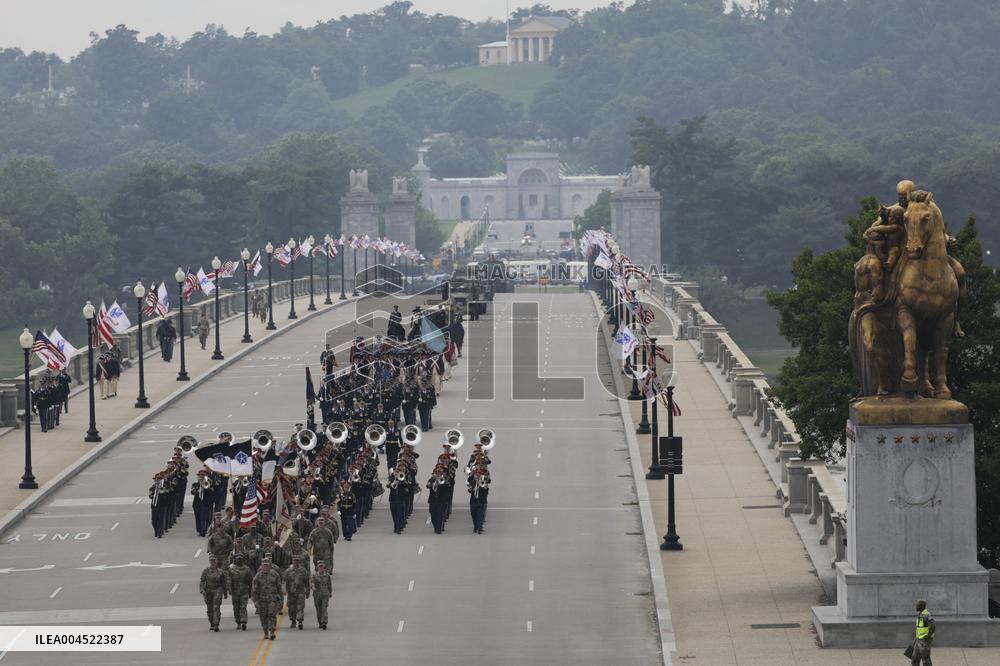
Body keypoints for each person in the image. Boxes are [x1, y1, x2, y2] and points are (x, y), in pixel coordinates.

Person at [251, 559, 283, 640]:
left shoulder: (274, 574)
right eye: (264, 565)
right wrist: (255, 601)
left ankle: (272, 631)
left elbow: (279, 587)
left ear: (269, 565)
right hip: (262, 600)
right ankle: (265, 632)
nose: (265, 566)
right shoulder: (257, 577)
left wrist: (281, 599)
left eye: (267, 564)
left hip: (272, 599)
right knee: (263, 616)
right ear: (261, 566)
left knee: (272, 614)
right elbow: (254, 590)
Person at [199, 555, 229, 632]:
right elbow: (202, 581)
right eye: (211, 560)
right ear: (209, 561)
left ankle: (216, 624)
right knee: (210, 608)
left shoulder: (220, 571)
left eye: (214, 560)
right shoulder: (205, 571)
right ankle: (212, 623)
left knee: (216, 607)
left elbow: (223, 583)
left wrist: (225, 593)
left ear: (216, 561)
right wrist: (202, 589)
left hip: (217, 590)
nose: (213, 562)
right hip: (208, 590)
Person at [283, 555, 310, 630]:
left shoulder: (303, 571)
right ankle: (293, 620)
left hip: (301, 592)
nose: (296, 562)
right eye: (294, 560)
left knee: (300, 607)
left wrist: (308, 591)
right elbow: (285, 581)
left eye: (297, 560)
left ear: (299, 561)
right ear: (292, 561)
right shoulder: (288, 571)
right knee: (291, 608)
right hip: (291, 593)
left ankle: (300, 621)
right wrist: (284, 590)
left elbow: (307, 582)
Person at [911, 599, 935, 665]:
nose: (916, 606)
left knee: (926, 660)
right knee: (914, 659)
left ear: (921, 606)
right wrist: (915, 640)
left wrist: (927, 636)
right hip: (918, 640)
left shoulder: (926, 615)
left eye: (917, 605)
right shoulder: (920, 615)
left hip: (924, 641)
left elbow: (932, 625)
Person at [311, 560, 332, 630]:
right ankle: (320, 622)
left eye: (322, 566)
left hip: (325, 594)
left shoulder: (327, 575)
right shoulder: (314, 575)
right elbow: (312, 583)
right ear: (317, 567)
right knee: (318, 609)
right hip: (317, 594)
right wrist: (313, 587)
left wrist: (330, 592)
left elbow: (329, 584)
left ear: (324, 567)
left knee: (324, 608)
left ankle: (324, 622)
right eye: (319, 566)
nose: (321, 567)